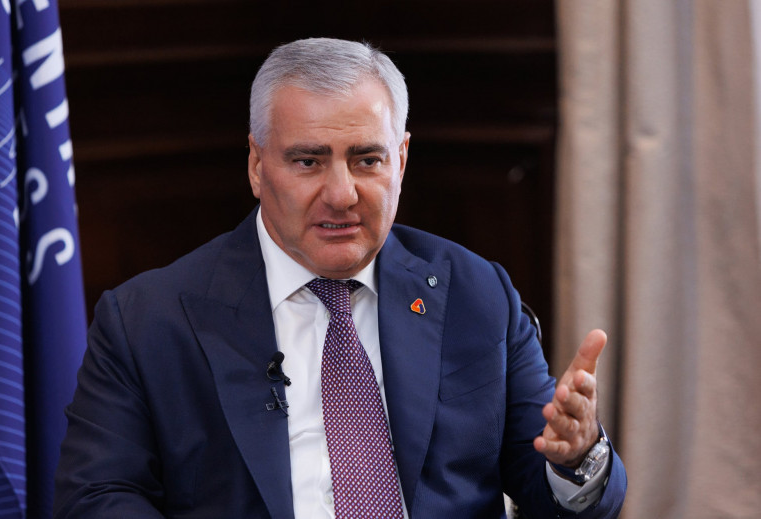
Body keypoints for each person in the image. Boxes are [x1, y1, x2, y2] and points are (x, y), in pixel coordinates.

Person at [54, 38, 626, 518]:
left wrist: (576, 458)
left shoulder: (477, 294)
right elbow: (96, 498)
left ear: (401, 160)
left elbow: (548, 486)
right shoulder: (148, 320)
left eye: (366, 159)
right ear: (257, 165)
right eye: (308, 161)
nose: (341, 194)